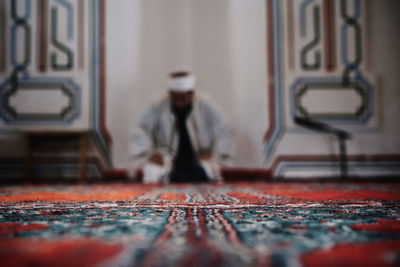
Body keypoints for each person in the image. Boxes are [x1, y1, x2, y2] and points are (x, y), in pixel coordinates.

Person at [129, 71, 233, 184]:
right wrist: (149, 153)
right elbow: (139, 127)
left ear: (191, 94)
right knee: (151, 172)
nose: (179, 103)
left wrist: (214, 153)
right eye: (175, 98)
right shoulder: (159, 104)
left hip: (199, 158)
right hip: (168, 158)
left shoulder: (205, 104)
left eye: (182, 99)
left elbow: (225, 128)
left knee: (210, 171)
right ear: (170, 94)